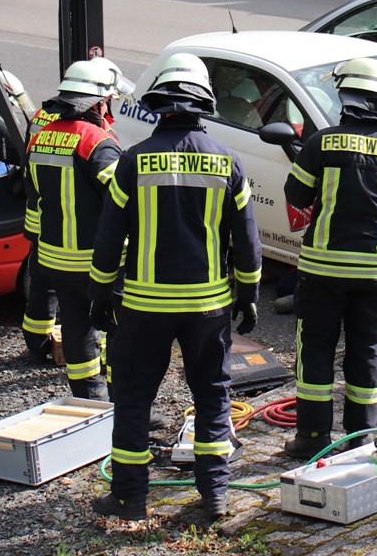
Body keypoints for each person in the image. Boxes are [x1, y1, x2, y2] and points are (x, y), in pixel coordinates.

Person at [89, 53, 261, 522]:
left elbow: (108, 241)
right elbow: (246, 240)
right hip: (208, 308)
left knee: (134, 399)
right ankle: (216, 495)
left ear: (158, 103)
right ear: (205, 102)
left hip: (144, 307)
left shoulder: (132, 160)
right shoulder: (228, 161)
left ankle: (129, 498)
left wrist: (101, 294)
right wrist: (248, 293)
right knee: (211, 396)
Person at [282, 57, 377, 461]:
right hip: (375, 276)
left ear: (345, 96)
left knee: (315, 350)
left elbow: (295, 195)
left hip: (321, 273)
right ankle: (361, 437)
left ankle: (312, 437)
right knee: (367, 350)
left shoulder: (320, 143)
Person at [24, 59, 133, 403]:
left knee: (77, 331)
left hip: (55, 259)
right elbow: (123, 205)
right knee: (119, 332)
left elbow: (33, 203)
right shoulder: (97, 143)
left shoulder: (39, 138)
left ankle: (89, 403)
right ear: (99, 103)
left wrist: (39, 249)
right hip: (98, 263)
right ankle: (123, 406)